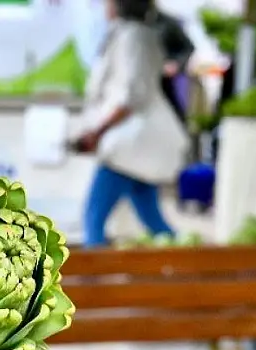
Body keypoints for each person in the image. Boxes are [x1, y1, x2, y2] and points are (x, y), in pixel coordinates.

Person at [75, 0, 187, 247]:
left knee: (94, 215)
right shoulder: (135, 34)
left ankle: (93, 279)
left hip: (127, 143)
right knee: (152, 217)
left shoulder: (131, 36)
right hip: (136, 142)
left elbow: (131, 95)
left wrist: (98, 131)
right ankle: (187, 267)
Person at [151, 9, 194, 123]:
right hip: (142, 78)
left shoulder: (167, 22)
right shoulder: (131, 22)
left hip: (163, 80)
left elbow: (188, 47)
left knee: (173, 116)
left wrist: (176, 64)